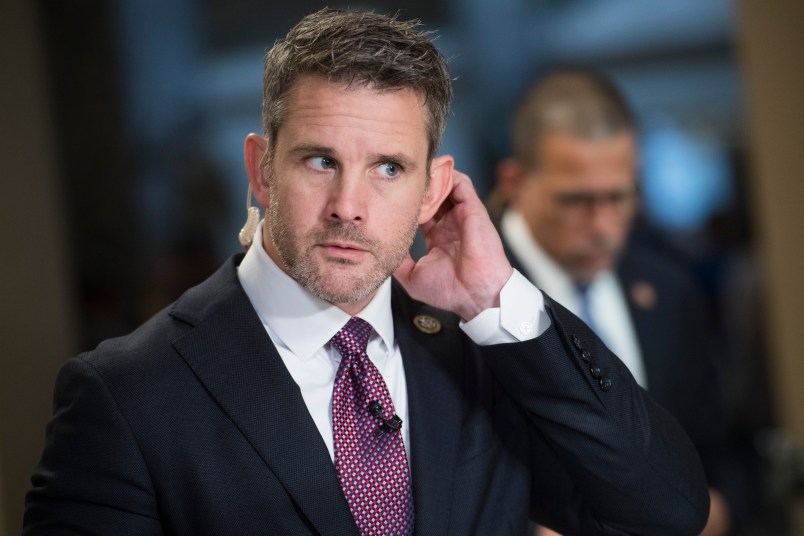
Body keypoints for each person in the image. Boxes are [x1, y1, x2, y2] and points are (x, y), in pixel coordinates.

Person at [24, 10, 710, 535]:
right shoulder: (124, 397)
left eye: (389, 168)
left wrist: (500, 300)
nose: (349, 207)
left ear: (434, 189)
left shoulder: (485, 355)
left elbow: (667, 512)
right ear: (261, 168)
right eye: (320, 161)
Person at [492, 71, 750, 536]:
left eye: (619, 197)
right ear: (515, 182)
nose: (603, 226)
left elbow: (724, 451)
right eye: (576, 201)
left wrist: (705, 515)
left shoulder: (669, 289)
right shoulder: (457, 306)